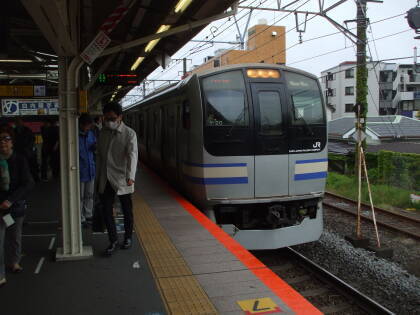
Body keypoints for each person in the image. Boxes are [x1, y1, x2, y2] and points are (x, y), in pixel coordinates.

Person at [96, 102, 138, 256]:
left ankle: (128, 237)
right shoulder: (103, 133)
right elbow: (100, 156)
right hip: (105, 178)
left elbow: (132, 156)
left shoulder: (129, 134)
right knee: (106, 211)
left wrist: (130, 176)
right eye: (106, 118)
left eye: (112, 118)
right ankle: (113, 240)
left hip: (122, 178)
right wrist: (97, 177)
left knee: (127, 211)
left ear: (120, 117)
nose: (109, 121)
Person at [0, 124, 34, 287]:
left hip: (14, 207)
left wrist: (11, 200)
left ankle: (14, 261)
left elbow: (28, 183)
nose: (3, 143)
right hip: (0, 209)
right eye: (0, 139)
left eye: (6, 139)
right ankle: (0, 273)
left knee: (14, 237)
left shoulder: (19, 160)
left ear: (12, 142)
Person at [79, 114, 96, 227]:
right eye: (87, 126)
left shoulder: (91, 134)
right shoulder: (74, 135)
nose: (89, 128)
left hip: (90, 170)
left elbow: (94, 145)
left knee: (89, 194)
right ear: (81, 124)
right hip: (79, 171)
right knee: (80, 196)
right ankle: (80, 217)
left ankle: (88, 214)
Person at [11, 117, 39, 182]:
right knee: (19, 166)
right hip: (18, 152)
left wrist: (29, 149)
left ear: (22, 122)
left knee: (31, 166)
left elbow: (32, 140)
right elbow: (13, 141)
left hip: (27, 152)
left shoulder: (27, 130)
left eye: (19, 122)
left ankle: (35, 179)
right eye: (16, 122)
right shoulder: (14, 131)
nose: (18, 123)